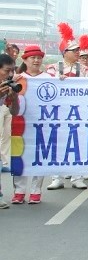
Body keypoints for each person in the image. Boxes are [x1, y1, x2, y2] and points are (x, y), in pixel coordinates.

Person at [46, 22, 88, 190]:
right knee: (57, 144)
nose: (79, 53)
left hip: (78, 113)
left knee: (78, 144)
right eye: (75, 50)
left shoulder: (84, 69)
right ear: (65, 53)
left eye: (78, 50)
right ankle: (57, 177)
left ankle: (77, 177)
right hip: (58, 113)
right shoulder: (53, 68)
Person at [9, 46, 50, 204]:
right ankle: (19, 191)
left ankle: (36, 191)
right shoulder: (17, 78)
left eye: (39, 57)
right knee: (19, 156)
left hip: (42, 125)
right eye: (32, 57)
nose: (36, 60)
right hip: (20, 124)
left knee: (39, 157)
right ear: (24, 60)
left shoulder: (49, 77)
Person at [0, 53, 21, 209]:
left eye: (13, 70)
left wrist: (13, 99)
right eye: (7, 70)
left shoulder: (8, 86)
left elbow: (14, 112)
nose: (10, 74)